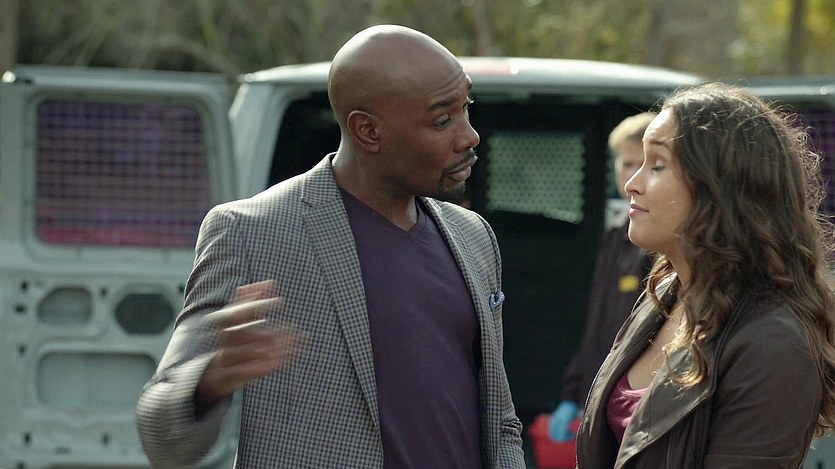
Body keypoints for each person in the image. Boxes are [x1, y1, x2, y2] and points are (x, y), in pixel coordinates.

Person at [135, 24, 526, 468]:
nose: (469, 136)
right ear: (368, 131)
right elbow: (160, 436)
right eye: (442, 120)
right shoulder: (250, 233)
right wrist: (208, 381)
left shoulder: (473, 236)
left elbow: (500, 421)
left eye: (465, 107)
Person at [575, 82, 835, 468]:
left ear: (720, 187)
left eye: (657, 165)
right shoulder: (665, 294)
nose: (632, 184)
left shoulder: (772, 342)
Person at [548, 112, 655, 443]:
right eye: (626, 163)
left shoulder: (662, 244)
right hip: (600, 402)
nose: (632, 175)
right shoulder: (615, 237)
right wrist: (574, 391)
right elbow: (599, 326)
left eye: (644, 164)